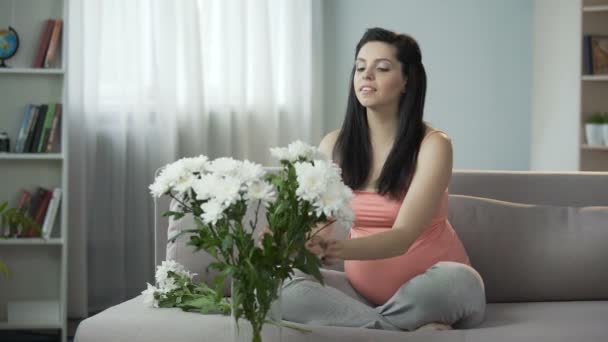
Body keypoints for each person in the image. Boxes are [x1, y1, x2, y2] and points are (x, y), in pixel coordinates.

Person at [280, 27, 486, 331]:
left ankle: (367, 329)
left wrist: (335, 250)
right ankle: (398, 331)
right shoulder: (333, 146)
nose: (366, 76)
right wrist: (298, 242)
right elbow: (320, 226)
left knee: (459, 281)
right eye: (361, 67)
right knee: (283, 286)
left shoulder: (433, 145)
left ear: (406, 81)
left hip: (434, 293)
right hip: (361, 297)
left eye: (382, 68)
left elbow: (403, 237)